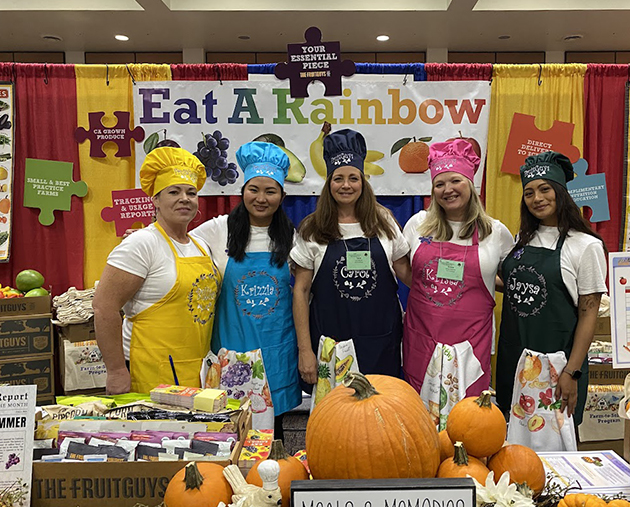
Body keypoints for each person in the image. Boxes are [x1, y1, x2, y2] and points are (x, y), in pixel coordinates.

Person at [402, 139, 514, 425]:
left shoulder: (496, 232)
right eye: (439, 184)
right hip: (422, 340)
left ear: (471, 183)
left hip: (471, 347)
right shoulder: (418, 224)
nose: (447, 189)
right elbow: (403, 270)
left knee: (470, 425)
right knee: (420, 424)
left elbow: (509, 279)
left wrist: (487, 282)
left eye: (455, 180)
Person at [291, 129, 411, 389]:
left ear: (363, 181)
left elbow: (405, 271)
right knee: (334, 418)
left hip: (381, 342)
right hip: (331, 345)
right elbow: (300, 291)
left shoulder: (384, 221)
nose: (346, 185)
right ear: (329, 182)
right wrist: (305, 351)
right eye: (338, 178)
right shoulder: (312, 228)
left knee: (379, 413)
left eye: (353, 178)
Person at [94, 147, 220, 394]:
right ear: (155, 200)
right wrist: (117, 370)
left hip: (199, 371)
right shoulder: (142, 243)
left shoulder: (201, 245)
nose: (184, 198)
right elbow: (103, 306)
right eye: (174, 192)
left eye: (191, 193)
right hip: (151, 372)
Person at [190, 141, 301, 421]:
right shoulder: (218, 229)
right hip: (231, 352)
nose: (261, 198)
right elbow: (179, 244)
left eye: (270, 191)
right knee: (230, 426)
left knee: (273, 427)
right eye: (254, 189)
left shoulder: (291, 236)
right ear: (243, 192)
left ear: (282, 195)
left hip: (276, 348)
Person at [496, 151, 607, 425]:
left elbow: (588, 313)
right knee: (512, 439)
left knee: (554, 445)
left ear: (560, 191)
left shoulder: (586, 245)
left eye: (545, 189)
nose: (537, 198)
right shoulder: (522, 238)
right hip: (514, 359)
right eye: (529, 192)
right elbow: (515, 286)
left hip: (556, 366)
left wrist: (572, 372)